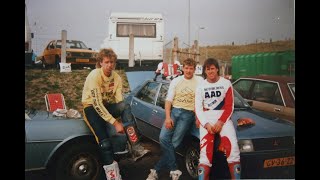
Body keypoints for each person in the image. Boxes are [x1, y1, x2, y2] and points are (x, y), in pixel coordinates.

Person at [82, 48, 150, 180]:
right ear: (100, 63)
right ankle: (113, 177)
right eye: (106, 62)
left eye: (112, 62)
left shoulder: (117, 77)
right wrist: (115, 122)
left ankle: (135, 147)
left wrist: (125, 120)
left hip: (106, 106)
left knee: (125, 105)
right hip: (91, 108)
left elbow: (119, 101)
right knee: (105, 144)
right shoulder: (94, 75)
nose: (110, 65)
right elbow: (97, 104)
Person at [146, 58, 203, 180]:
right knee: (163, 138)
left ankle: (155, 170)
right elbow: (168, 100)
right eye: (186, 68)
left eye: (191, 68)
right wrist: (167, 117)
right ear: (183, 68)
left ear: (194, 69)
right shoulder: (176, 81)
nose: (188, 71)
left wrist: (198, 116)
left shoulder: (200, 81)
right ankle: (173, 169)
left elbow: (203, 99)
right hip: (175, 112)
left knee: (175, 143)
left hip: (188, 115)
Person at [195, 58, 241, 180]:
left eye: (213, 68)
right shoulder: (200, 86)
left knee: (233, 150)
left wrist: (220, 122)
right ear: (205, 71)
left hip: (224, 119)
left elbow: (229, 106)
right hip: (206, 118)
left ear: (217, 69)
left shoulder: (226, 83)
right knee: (205, 153)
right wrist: (206, 124)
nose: (210, 71)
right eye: (208, 69)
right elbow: (198, 109)